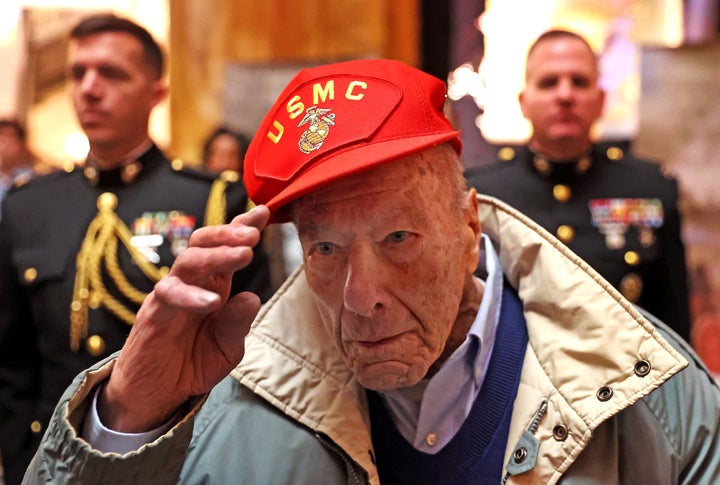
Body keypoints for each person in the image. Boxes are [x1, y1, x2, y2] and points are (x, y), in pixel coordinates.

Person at [24, 59, 720, 484]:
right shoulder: (226, 399)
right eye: (324, 249)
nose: (361, 298)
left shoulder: (650, 394)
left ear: (468, 220)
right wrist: (127, 420)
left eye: (398, 237)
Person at [0, 14, 273, 484]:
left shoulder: (210, 199)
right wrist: (27, 460)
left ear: (156, 93)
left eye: (112, 73)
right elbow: (11, 363)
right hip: (55, 455)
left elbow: (252, 351)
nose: (89, 88)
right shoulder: (29, 207)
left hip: (181, 457)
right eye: (78, 72)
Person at [465, 30, 691, 342]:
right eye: (549, 82)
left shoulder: (650, 189)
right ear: (524, 102)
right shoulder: (480, 194)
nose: (565, 95)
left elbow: (673, 324)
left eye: (579, 82)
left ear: (600, 101)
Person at [0, 119, 38, 218]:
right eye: (1, 137)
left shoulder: (32, 179)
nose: (5, 144)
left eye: (10, 137)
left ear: (21, 144)